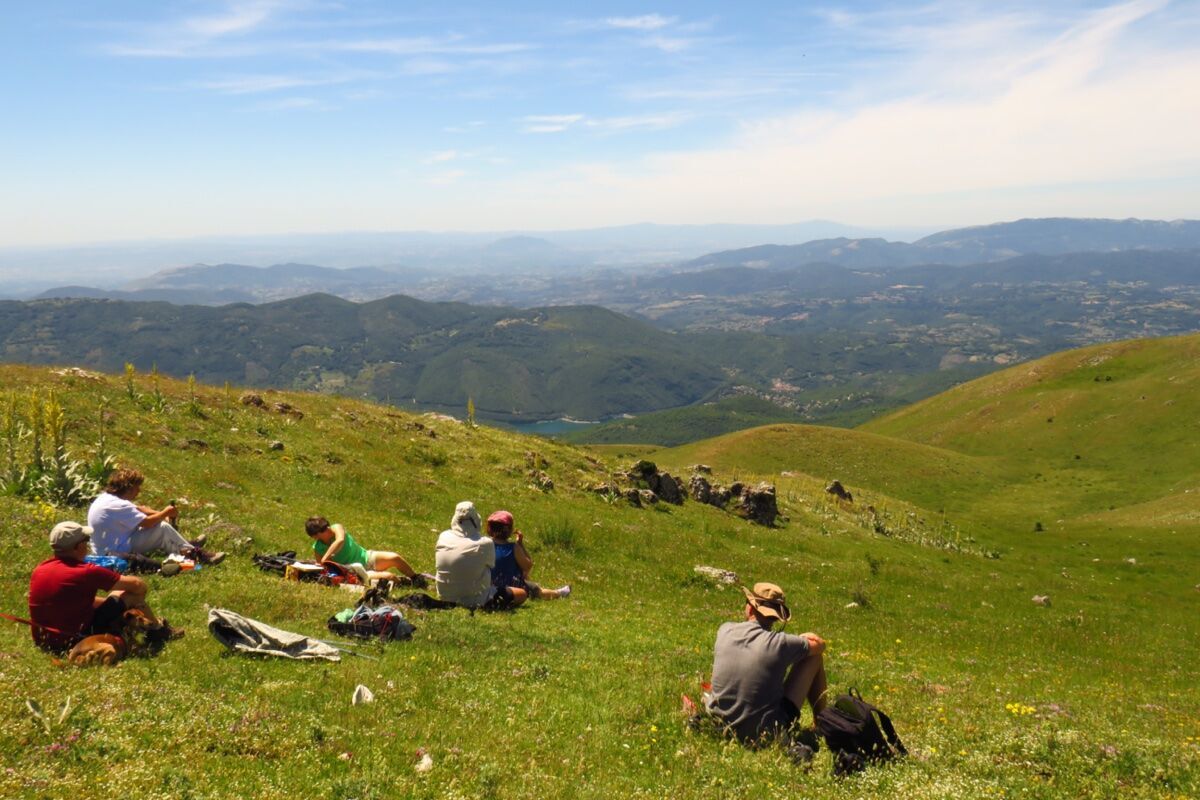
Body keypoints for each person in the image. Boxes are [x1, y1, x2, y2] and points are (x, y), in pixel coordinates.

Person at [706, 582, 828, 761]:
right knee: (814, 658)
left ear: (749, 608)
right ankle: (820, 725)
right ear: (777, 618)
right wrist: (802, 639)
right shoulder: (782, 643)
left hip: (718, 725)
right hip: (765, 734)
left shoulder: (725, 629)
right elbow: (820, 646)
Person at [27, 521, 182, 654]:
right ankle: (157, 630)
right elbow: (138, 586)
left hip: (44, 642)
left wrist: (109, 602)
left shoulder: (40, 570)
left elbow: (73, 602)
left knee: (116, 596)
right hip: (77, 640)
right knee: (127, 594)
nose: (87, 544)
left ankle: (153, 628)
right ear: (77, 546)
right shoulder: (86, 571)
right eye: (86, 540)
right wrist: (122, 602)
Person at [87, 468, 225, 565]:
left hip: (108, 545)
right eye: (137, 487)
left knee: (160, 525)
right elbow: (147, 523)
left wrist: (158, 514)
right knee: (162, 528)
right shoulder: (119, 505)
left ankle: (183, 544)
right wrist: (165, 513)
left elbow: (138, 509)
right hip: (115, 551)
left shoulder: (107, 499)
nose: (139, 491)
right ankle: (197, 555)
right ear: (128, 488)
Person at [435, 501, 525, 610]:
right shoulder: (485, 543)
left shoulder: (444, 536)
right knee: (522, 593)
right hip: (477, 599)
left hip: (445, 597)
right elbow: (491, 566)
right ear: (476, 520)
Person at [304, 517, 427, 586]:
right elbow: (324, 568)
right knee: (389, 576)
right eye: (324, 529)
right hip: (357, 571)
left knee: (394, 557)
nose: (328, 529)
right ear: (317, 535)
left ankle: (415, 578)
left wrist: (326, 556)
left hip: (366, 557)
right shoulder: (318, 548)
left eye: (327, 526)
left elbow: (340, 540)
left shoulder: (336, 528)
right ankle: (403, 583)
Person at [485, 510, 570, 600]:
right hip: (511, 587)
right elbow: (527, 566)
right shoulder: (513, 547)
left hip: (488, 584)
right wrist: (520, 544)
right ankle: (559, 593)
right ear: (509, 530)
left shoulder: (484, 544)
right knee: (537, 590)